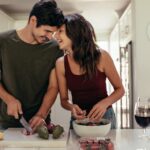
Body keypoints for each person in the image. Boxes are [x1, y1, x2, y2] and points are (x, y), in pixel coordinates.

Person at [0, 0, 64, 132]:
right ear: (33, 20)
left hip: (40, 123)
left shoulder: (55, 49)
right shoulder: (3, 41)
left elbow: (53, 87)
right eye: (47, 31)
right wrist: (9, 99)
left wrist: (41, 114)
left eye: (52, 33)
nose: (49, 37)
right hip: (4, 122)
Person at [55, 13, 124, 129]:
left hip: (105, 118)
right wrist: (72, 107)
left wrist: (104, 103)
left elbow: (120, 89)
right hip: (78, 121)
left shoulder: (102, 56)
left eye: (60, 31)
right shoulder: (60, 63)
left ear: (74, 33)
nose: (55, 36)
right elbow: (64, 100)